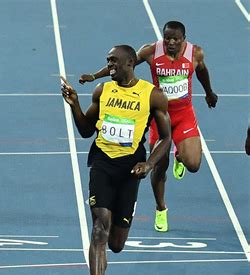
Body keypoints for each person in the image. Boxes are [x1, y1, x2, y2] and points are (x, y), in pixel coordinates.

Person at [61, 45, 171, 275]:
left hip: (131, 169)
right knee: (100, 227)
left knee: (116, 244)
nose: (109, 65)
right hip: (102, 163)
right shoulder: (103, 91)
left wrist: (148, 165)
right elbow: (87, 130)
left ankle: (102, 259)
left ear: (131, 62)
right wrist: (74, 103)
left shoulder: (152, 95)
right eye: (107, 60)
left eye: (113, 61)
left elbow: (166, 139)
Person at [79, 21, 218, 232]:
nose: (170, 43)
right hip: (158, 115)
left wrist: (209, 92)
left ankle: (180, 155)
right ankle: (161, 208)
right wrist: (94, 76)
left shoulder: (195, 53)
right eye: (167, 38)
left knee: (193, 164)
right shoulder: (150, 52)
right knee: (158, 167)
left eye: (175, 39)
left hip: (183, 114)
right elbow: (124, 63)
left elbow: (202, 72)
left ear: (184, 40)